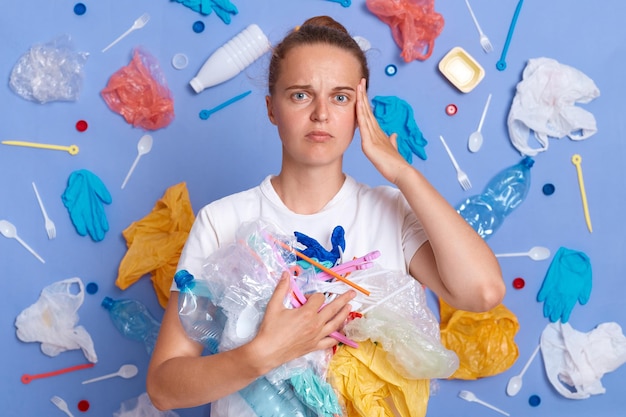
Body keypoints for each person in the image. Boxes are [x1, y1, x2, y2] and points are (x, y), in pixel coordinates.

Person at [147, 15, 505, 414]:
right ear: (271, 108)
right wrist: (261, 355)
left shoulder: (390, 210)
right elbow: (164, 388)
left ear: (360, 109)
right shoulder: (222, 220)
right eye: (301, 95)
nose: (321, 113)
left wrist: (403, 173)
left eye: (340, 97)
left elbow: (483, 292)